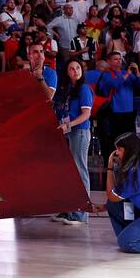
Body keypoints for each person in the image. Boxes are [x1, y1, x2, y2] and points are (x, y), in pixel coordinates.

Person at [53, 59, 93, 225]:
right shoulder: (68, 89)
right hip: (70, 132)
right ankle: (69, 210)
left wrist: (69, 125)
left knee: (80, 170)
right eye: (72, 68)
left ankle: (80, 214)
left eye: (78, 68)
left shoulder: (84, 88)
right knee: (70, 172)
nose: (76, 71)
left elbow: (86, 114)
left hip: (80, 131)